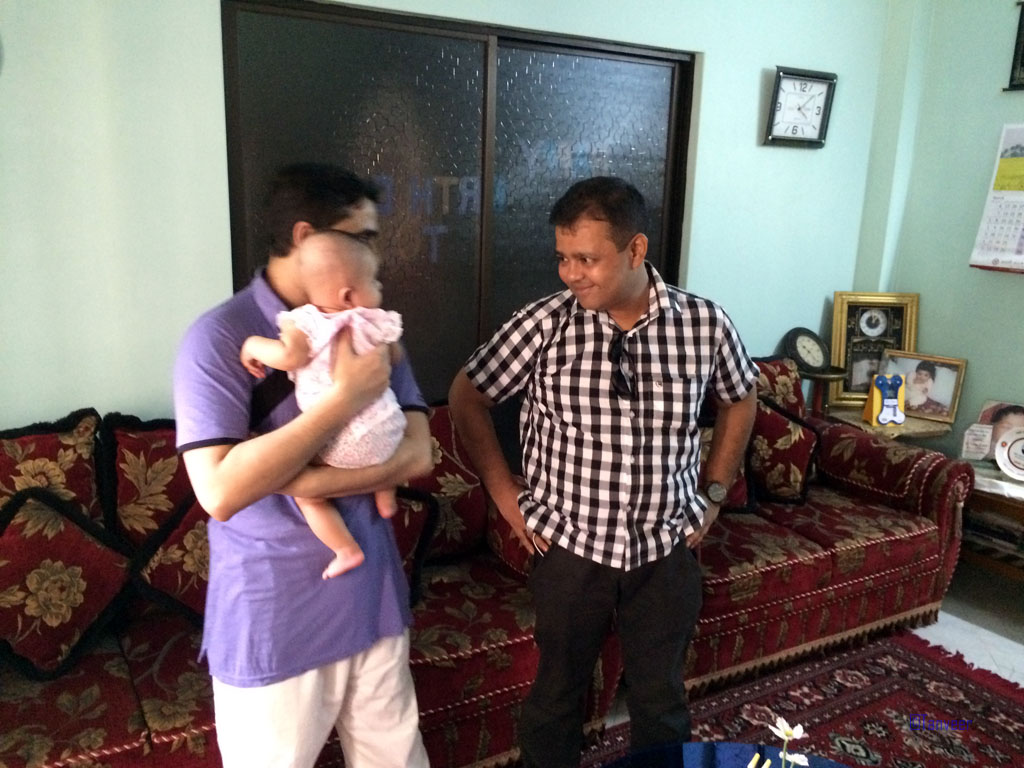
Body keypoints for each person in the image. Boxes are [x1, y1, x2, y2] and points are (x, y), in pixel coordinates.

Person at [448, 176, 758, 767]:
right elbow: (468, 395)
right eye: (563, 258)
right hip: (569, 548)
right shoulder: (544, 324)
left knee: (662, 699)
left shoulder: (704, 325)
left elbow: (741, 396)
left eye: (587, 259)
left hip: (665, 547)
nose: (571, 274)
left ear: (635, 250)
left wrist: (714, 492)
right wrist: (504, 495)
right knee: (556, 697)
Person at [173, 163, 433, 768]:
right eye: (362, 237)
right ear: (304, 236)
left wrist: (298, 479)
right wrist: (344, 400)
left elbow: (419, 453)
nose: (372, 255)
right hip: (275, 610)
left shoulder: (367, 323)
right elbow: (220, 490)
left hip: (372, 595)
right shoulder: (221, 338)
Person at [239, 230, 405, 579]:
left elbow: (289, 357)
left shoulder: (305, 322)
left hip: (338, 440)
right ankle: (385, 494)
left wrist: (253, 345)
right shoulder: (374, 319)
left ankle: (345, 549)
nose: (379, 288)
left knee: (308, 495)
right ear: (348, 295)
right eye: (374, 281)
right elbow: (395, 357)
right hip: (388, 431)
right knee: (383, 439)